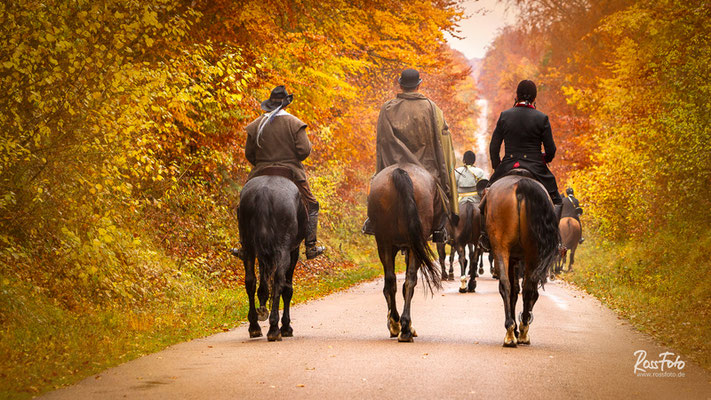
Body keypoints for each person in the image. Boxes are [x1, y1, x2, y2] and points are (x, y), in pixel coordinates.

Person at [363, 68, 458, 242]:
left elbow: (382, 142)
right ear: (419, 85)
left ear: (400, 84)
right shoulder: (431, 108)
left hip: (392, 164)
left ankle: (372, 221)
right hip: (426, 167)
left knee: (375, 187)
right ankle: (439, 228)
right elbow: (441, 141)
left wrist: (383, 168)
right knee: (440, 194)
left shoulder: (387, 108)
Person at [236, 85, 325, 260]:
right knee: (312, 204)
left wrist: (263, 163)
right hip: (291, 172)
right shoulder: (295, 123)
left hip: (260, 171)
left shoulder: (256, 125)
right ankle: (311, 246)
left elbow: (249, 154)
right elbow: (304, 151)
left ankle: (244, 248)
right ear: (286, 104)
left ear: (270, 103)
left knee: (241, 207)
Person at [487, 79, 562, 209]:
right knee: (557, 201)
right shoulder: (542, 118)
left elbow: (494, 147)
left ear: (517, 95)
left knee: (486, 197)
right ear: (534, 97)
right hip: (536, 166)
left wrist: (497, 166)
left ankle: (483, 230)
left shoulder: (504, 116)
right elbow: (551, 150)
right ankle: (555, 229)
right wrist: (543, 159)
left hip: (508, 164)